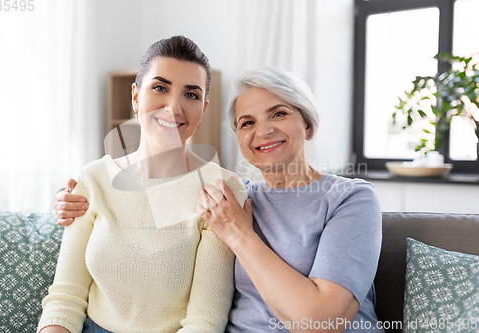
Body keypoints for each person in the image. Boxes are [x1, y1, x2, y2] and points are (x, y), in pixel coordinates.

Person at [57, 68, 383, 333]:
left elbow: (321, 322)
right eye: (247, 123)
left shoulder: (350, 199)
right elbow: (130, 207)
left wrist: (240, 235)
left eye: (279, 114)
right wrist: (74, 198)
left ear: (308, 125)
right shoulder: (229, 194)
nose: (264, 131)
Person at [38, 35, 247, 333]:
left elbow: (205, 321)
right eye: (160, 88)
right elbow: (65, 300)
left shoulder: (221, 189)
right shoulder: (92, 180)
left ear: (203, 108)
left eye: (191, 95)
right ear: (135, 96)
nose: (174, 108)